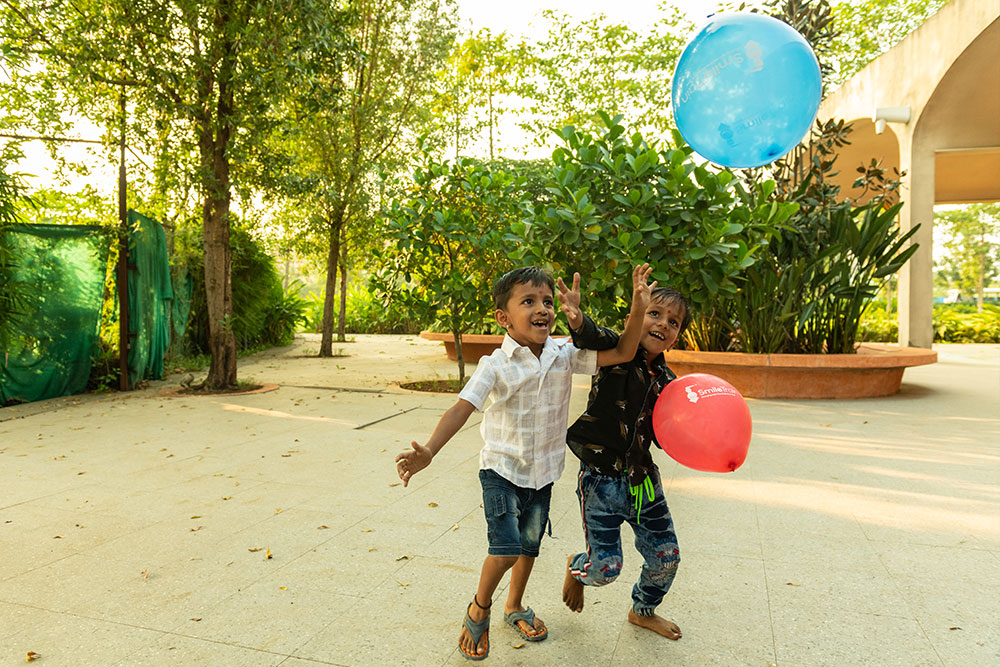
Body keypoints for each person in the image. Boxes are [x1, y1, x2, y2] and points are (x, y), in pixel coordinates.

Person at [395, 264, 655, 660]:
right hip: (501, 470)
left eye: (548, 301)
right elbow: (462, 408)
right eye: (529, 301)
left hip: (543, 472)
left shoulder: (565, 354)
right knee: (505, 549)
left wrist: (638, 307)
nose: (543, 309)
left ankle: (513, 605)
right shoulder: (495, 364)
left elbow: (624, 350)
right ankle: (478, 609)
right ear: (504, 317)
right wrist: (429, 450)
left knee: (529, 547)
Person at [556, 271, 692, 640]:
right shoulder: (616, 351)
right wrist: (576, 316)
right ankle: (577, 567)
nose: (663, 324)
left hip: (644, 482)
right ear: (639, 314)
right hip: (600, 480)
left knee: (667, 558)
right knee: (606, 569)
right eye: (655, 313)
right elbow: (588, 335)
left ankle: (642, 611)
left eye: (673, 321)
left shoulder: (669, 381)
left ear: (677, 334)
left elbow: (668, 435)